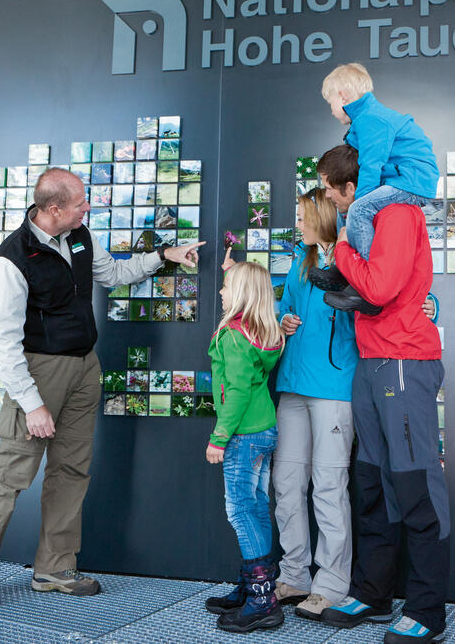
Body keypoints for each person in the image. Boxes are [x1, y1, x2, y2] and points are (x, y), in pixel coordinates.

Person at [0, 167, 205, 607]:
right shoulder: (13, 259)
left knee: (71, 471)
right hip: (37, 372)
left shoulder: (80, 235)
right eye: (79, 204)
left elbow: (113, 274)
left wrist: (166, 255)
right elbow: (4, 341)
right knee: (11, 473)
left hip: (84, 368)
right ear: (53, 209)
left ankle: (53, 568)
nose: (86, 208)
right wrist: (32, 405)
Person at [315, 145, 450, 644]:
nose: (327, 195)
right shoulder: (373, 217)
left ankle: (428, 610)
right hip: (371, 361)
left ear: (352, 186)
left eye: (331, 186)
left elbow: (380, 289)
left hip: (403, 362)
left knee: (416, 486)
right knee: (371, 482)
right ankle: (374, 592)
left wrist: (344, 248)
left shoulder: (394, 213)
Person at [270, 187, 359, 620]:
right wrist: (282, 319)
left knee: (327, 488)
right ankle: (295, 574)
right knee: (286, 485)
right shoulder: (299, 261)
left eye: (303, 215)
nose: (298, 223)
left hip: (334, 389)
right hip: (291, 385)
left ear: (324, 215)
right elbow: (283, 307)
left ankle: (332, 583)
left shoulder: (352, 257)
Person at [310, 63, 440, 316]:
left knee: (359, 208)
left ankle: (365, 282)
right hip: (401, 178)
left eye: (331, 103)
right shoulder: (363, 121)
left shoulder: (372, 119)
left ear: (344, 96)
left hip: (412, 180)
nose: (332, 111)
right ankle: (344, 270)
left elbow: (371, 165)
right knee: (348, 211)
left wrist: (359, 201)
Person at [203, 256, 286, 633]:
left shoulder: (234, 337)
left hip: (243, 435)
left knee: (240, 512)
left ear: (239, 294)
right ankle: (255, 587)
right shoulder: (262, 332)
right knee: (255, 509)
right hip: (264, 430)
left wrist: (220, 437)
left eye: (226, 286)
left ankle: (261, 601)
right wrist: (233, 270)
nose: (220, 291)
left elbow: (235, 393)